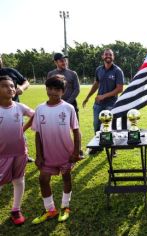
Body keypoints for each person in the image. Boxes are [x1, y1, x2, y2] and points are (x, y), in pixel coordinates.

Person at [31, 75, 81, 224]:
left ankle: (65, 207)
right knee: (43, 179)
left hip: (66, 153)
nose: (53, 92)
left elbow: (76, 132)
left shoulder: (68, 108)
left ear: (63, 91)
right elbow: (38, 134)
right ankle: (50, 210)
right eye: (50, 88)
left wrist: (76, 152)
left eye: (57, 89)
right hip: (47, 155)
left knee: (66, 178)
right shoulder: (40, 109)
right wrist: (39, 155)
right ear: (46, 88)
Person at [0, 75, 34, 225]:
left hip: (20, 152)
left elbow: (35, 115)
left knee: (19, 180)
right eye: (5, 86)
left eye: (12, 86)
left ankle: (16, 209)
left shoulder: (19, 107)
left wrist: (23, 128)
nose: (11, 88)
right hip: (1, 154)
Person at [82, 48, 124, 155]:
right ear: (102, 56)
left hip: (111, 103)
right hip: (98, 103)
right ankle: (98, 146)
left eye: (110, 54)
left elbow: (119, 89)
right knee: (96, 125)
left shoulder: (117, 71)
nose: (108, 56)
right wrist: (88, 97)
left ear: (113, 57)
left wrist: (104, 96)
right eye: (106, 54)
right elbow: (96, 84)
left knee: (111, 126)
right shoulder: (99, 70)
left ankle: (113, 148)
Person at [0, 54, 33, 163]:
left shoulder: (10, 71)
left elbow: (26, 81)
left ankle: (24, 154)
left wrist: (22, 88)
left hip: (14, 108)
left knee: (19, 133)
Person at [47, 53, 80, 120]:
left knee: (75, 128)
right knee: (57, 126)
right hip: (55, 105)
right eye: (61, 61)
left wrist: (67, 103)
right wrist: (55, 101)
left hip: (71, 104)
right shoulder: (51, 74)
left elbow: (77, 89)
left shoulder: (73, 73)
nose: (64, 62)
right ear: (56, 62)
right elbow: (48, 89)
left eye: (65, 60)